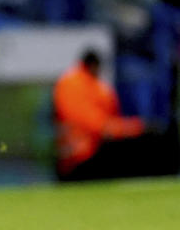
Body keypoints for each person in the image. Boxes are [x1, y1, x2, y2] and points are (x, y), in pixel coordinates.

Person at [52, 49, 157, 181]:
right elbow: (98, 124)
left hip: (72, 152)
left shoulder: (69, 83)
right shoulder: (91, 87)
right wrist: (137, 127)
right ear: (94, 66)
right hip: (84, 153)